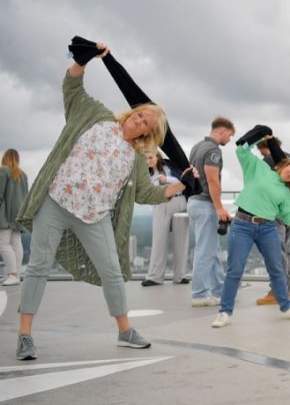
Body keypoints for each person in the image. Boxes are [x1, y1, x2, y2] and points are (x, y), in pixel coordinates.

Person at [14, 42, 191, 360]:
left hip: (94, 217)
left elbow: (146, 193)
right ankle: (25, 335)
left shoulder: (136, 157)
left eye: (147, 125)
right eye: (139, 116)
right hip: (55, 204)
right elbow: (72, 88)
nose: (139, 122)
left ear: (149, 135)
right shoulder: (95, 116)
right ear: (132, 112)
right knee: (38, 266)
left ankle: (125, 330)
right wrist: (82, 61)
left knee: (112, 270)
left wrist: (181, 186)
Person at [210, 134, 290, 328]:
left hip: (268, 227)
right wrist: (259, 134)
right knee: (235, 271)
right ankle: (224, 312)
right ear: (285, 165)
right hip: (242, 225)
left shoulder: (285, 192)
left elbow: (289, 218)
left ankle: (286, 307)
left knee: (276, 270)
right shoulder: (259, 168)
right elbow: (241, 150)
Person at [188, 117, 235, 307]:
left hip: (193, 202)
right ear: (223, 131)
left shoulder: (197, 147)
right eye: (230, 135)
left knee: (211, 250)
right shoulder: (213, 150)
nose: (230, 140)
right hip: (205, 203)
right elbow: (212, 180)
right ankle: (199, 294)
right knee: (205, 252)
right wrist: (219, 207)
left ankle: (218, 291)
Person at [254, 137, 290, 305]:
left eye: (261, 150)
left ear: (264, 147)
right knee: (284, 251)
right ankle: (287, 289)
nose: (261, 153)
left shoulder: (268, 161)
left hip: (273, 211)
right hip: (288, 209)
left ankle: (279, 291)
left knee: (276, 253)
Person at [142, 151, 190, 286]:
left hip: (179, 200)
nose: (148, 161)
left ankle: (180, 276)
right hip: (160, 203)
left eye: (150, 157)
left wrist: (166, 180)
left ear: (157, 156)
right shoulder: (146, 173)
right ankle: (154, 277)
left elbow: (184, 180)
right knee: (158, 239)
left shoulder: (171, 165)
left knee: (181, 239)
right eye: (145, 159)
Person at [0, 149, 29, 286]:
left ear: (5, 158)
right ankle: (16, 274)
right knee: (16, 243)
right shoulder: (23, 175)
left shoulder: (3, 171)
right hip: (18, 213)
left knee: (2, 243)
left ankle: (12, 274)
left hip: (5, 213)